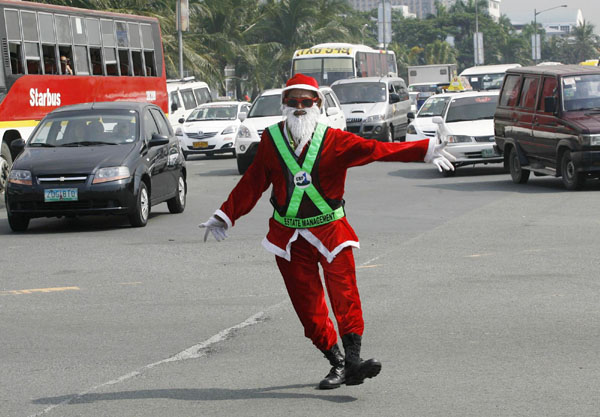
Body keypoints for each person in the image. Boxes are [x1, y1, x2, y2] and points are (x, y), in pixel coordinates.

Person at [200, 73, 455, 390]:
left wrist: (424, 149)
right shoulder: (271, 141)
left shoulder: (334, 139)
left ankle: (354, 361)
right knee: (309, 308)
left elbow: (375, 149)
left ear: (317, 105)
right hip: (289, 238)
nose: (300, 108)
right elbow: (252, 183)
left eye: (306, 102)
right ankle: (336, 363)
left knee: (345, 295)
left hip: (331, 232)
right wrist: (225, 215)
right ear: (284, 105)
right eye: (293, 102)